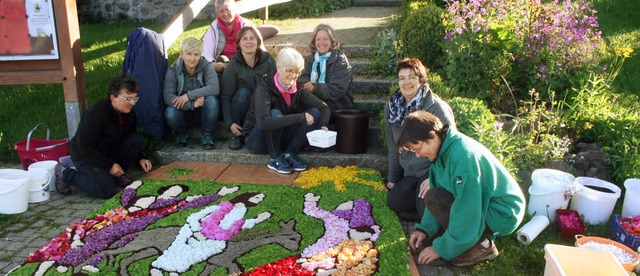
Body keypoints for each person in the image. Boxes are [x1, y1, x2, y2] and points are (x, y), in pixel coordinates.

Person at [397, 110, 526, 267]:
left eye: (418, 149)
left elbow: (468, 210)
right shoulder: (441, 152)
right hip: (480, 204)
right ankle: (458, 239)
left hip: (502, 213)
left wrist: (442, 249)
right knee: (433, 195)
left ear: (432, 135)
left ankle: (482, 246)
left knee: (439, 203)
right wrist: (424, 230)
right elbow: (438, 192)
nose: (418, 156)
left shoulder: (463, 157)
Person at [54, 75, 152, 199]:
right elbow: (84, 146)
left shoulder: (129, 114)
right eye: (128, 99)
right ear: (113, 98)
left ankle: (117, 175)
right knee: (107, 190)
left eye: (134, 98)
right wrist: (108, 166)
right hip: (85, 155)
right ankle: (66, 174)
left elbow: (130, 136)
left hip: (107, 152)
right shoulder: (96, 114)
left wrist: (141, 158)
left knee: (135, 141)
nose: (132, 103)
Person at [384, 58, 456, 222]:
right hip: (411, 173)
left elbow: (451, 147)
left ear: (421, 79)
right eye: (402, 78)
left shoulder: (436, 107)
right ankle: (421, 211)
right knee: (395, 201)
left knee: (426, 205)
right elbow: (393, 148)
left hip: (431, 171)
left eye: (411, 77)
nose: (406, 82)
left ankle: (428, 214)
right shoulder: (391, 108)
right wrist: (393, 179)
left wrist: (435, 178)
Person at [243, 47, 330, 174]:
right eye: (289, 70)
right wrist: (299, 117)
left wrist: (322, 125)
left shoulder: (298, 87)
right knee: (275, 114)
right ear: (278, 68)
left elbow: (323, 107)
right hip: (256, 138)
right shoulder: (264, 87)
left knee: (314, 112)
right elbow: (264, 122)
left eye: (297, 71)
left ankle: (290, 153)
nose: (293, 76)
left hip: (280, 135)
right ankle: (275, 158)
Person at [221, 26, 276, 150]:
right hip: (242, 108)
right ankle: (236, 135)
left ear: (258, 42)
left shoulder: (268, 61)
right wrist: (229, 123)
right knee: (243, 93)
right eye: (244, 39)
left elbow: (276, 88)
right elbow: (225, 97)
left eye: (252, 38)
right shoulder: (233, 65)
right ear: (239, 43)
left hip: (262, 107)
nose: (248, 42)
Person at [163, 37, 220, 149]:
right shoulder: (173, 70)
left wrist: (188, 95)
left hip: (204, 110)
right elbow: (168, 96)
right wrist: (191, 104)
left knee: (212, 100)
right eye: (188, 54)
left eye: (196, 54)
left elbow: (214, 88)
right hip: (183, 110)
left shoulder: (206, 66)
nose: (192, 58)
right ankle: (182, 134)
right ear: (181, 54)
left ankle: (207, 135)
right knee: (170, 112)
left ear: (200, 55)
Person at [298, 24, 353, 113]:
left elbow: (337, 90)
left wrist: (313, 87)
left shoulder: (340, 61)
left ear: (332, 41)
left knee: (314, 111)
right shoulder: (310, 59)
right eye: (318, 39)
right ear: (314, 42)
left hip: (338, 103)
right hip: (314, 100)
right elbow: (301, 78)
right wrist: (305, 83)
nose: (321, 42)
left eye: (325, 39)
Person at [202, 0, 262, 74]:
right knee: (222, 60)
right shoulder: (214, 28)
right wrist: (214, 65)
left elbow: (260, 46)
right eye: (221, 11)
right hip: (224, 66)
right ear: (217, 13)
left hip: (244, 62)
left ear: (234, 9)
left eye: (228, 10)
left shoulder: (246, 24)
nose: (225, 14)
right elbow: (206, 51)